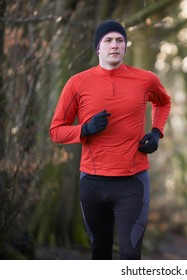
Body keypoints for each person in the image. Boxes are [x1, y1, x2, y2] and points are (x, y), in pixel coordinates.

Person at [49, 19, 171, 260]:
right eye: (108, 40)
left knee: (129, 253)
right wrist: (84, 129)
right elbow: (56, 131)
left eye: (120, 40)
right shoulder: (77, 83)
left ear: (125, 47)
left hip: (132, 182)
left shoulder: (145, 80)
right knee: (100, 253)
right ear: (98, 48)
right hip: (92, 183)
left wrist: (156, 132)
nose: (114, 45)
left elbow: (163, 102)